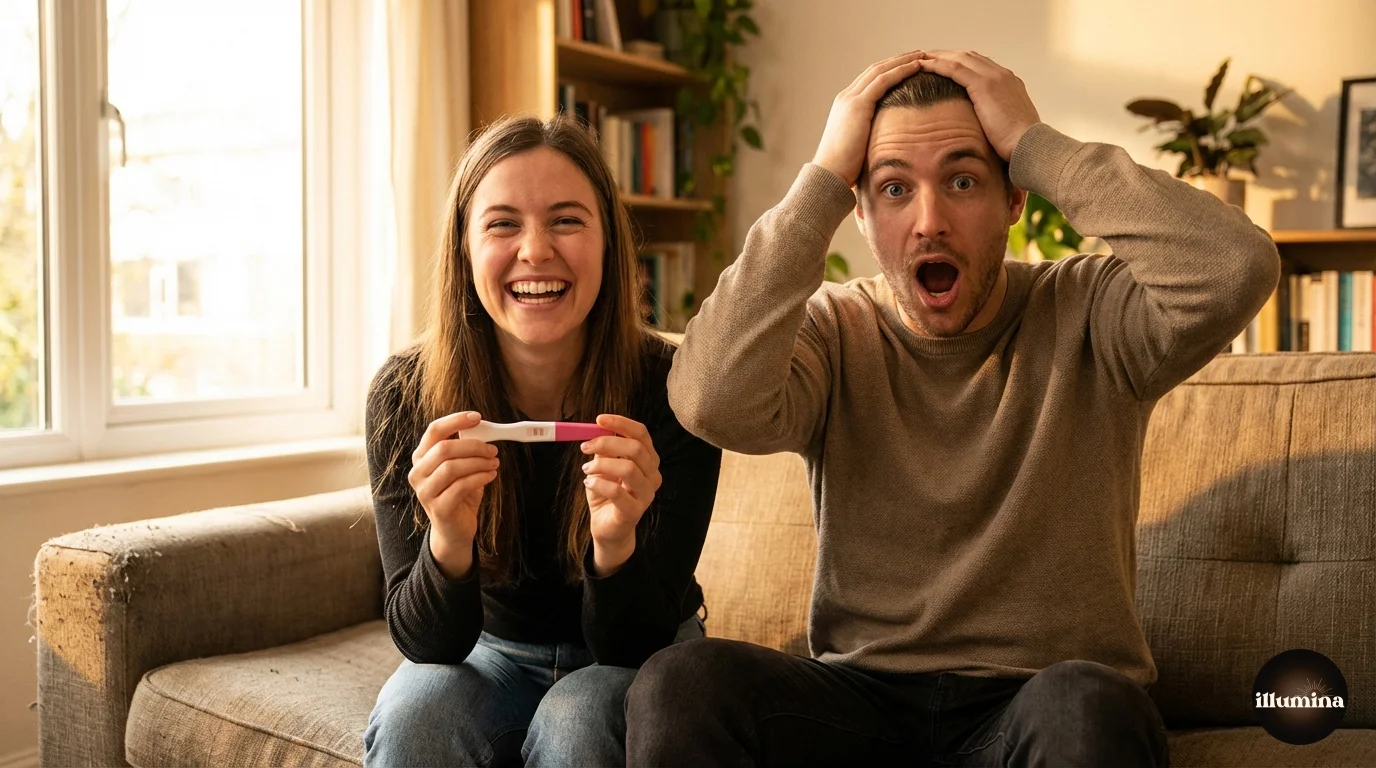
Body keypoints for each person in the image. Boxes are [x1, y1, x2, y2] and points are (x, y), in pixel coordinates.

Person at [627, 49, 1280, 766]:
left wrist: (1038, 146)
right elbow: (706, 400)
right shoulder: (837, 332)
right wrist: (820, 182)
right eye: (894, 189)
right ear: (862, 212)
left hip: (1036, 708)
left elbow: (1236, 266)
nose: (929, 221)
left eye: (963, 181)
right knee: (680, 684)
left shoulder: (1092, 313)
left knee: (1088, 706)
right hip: (860, 706)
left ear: (1015, 198)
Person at [362, 114, 721, 767]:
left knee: (578, 720)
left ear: (608, 243)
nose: (535, 250)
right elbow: (427, 645)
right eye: (502, 224)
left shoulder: (676, 391)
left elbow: (633, 643)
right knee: (416, 716)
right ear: (463, 248)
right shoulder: (403, 394)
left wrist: (615, 546)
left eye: (566, 220)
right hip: (486, 653)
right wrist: (447, 541)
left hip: (639, 653)